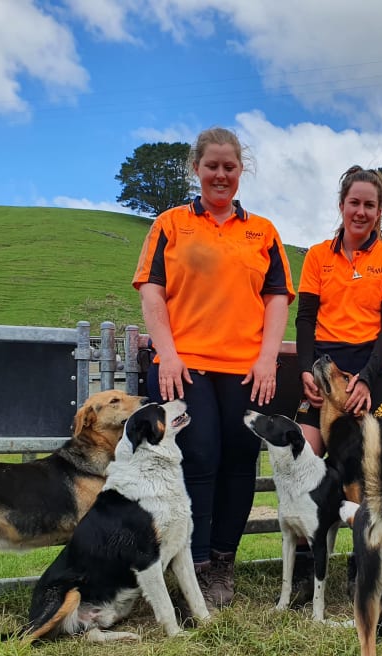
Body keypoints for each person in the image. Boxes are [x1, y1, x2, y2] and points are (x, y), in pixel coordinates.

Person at [132, 127, 295, 607]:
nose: (221, 175)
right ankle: (195, 563)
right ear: (196, 169)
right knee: (199, 457)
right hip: (187, 365)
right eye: (212, 166)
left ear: (241, 172)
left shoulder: (262, 232)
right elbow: (151, 291)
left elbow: (277, 298)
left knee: (241, 459)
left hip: (247, 368)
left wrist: (268, 359)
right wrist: (168, 353)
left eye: (230, 167)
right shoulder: (170, 224)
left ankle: (224, 562)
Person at [295, 166, 382, 456]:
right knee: (306, 463)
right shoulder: (318, 255)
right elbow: (305, 319)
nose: (361, 211)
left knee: (374, 468)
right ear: (341, 205)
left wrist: (367, 378)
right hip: (326, 368)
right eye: (354, 203)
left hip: (373, 365)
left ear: (379, 211)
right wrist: (307, 370)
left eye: (369, 205)